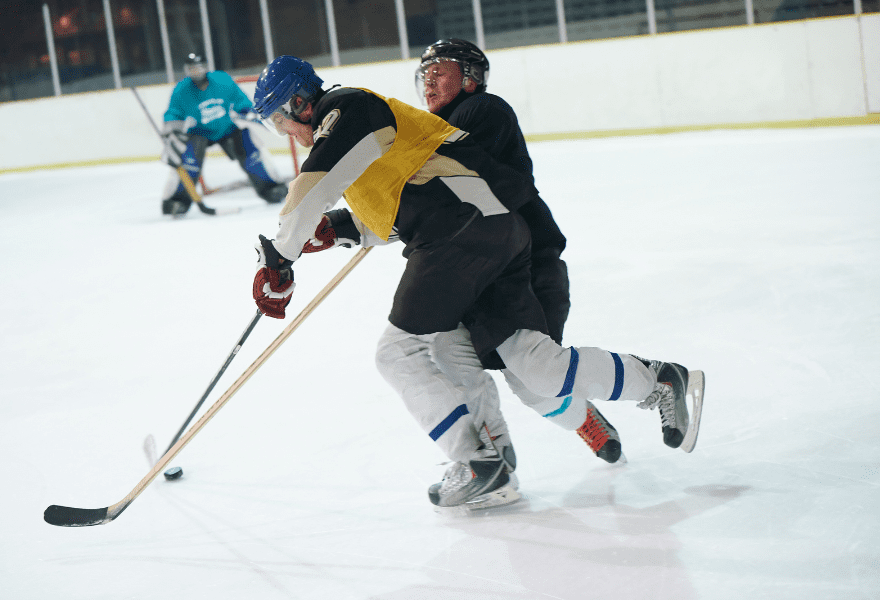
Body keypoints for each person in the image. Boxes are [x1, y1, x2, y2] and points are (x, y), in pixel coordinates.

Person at [249, 55, 704, 509]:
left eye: (278, 119)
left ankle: (478, 462)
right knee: (509, 362)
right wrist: (339, 230)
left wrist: (280, 257)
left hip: (458, 232)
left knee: (399, 351)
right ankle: (655, 382)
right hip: (490, 231)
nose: (285, 132)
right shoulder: (365, 130)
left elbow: (318, 180)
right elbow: (389, 217)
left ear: (299, 102)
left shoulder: (349, 108)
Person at [413, 38, 633, 467]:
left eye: (441, 70)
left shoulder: (482, 110)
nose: (430, 79)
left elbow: (451, 181)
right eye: (426, 72)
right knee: (467, 360)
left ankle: (606, 404)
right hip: (484, 272)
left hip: (527, 267)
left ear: (471, 80)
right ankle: (490, 454)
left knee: (532, 379)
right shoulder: (438, 132)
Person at [159, 53, 288, 215]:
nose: (196, 72)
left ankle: (272, 188)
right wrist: (171, 131)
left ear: (206, 67)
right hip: (199, 133)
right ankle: (175, 201)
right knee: (187, 161)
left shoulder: (222, 80)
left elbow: (241, 100)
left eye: (199, 67)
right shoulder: (181, 90)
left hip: (226, 128)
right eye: (191, 69)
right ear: (186, 71)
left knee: (251, 150)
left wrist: (249, 111)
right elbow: (174, 113)